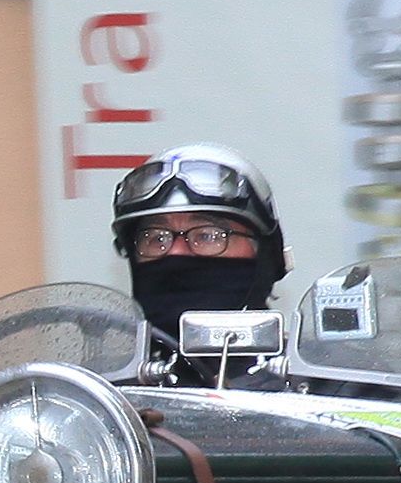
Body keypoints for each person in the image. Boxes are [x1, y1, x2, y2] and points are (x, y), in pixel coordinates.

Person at [106, 144, 286, 346]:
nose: (175, 252)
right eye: (156, 238)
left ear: (265, 255)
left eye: (208, 236)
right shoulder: (100, 377)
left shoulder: (310, 374)